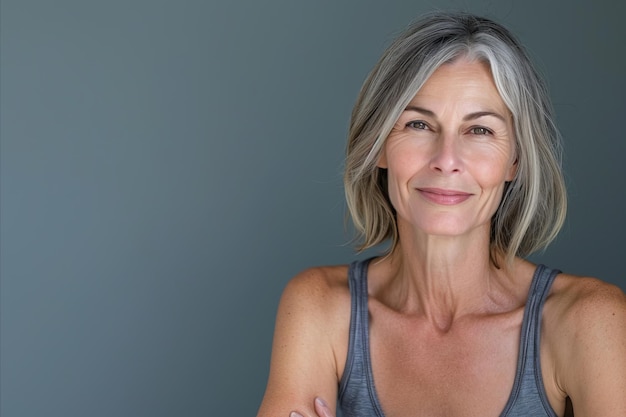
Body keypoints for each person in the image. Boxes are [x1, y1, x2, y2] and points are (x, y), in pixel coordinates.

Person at [256, 11, 626, 417]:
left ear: (515, 161)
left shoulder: (591, 320)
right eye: (418, 125)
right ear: (378, 146)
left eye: (479, 130)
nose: (446, 160)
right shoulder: (320, 307)